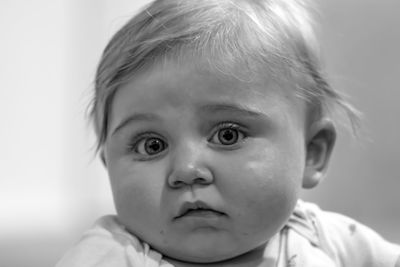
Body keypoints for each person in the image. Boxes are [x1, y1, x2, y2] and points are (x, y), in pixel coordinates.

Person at [57, 0, 400, 266]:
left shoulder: (324, 238)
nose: (186, 170)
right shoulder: (109, 255)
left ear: (312, 152)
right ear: (109, 164)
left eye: (228, 135)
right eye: (152, 144)